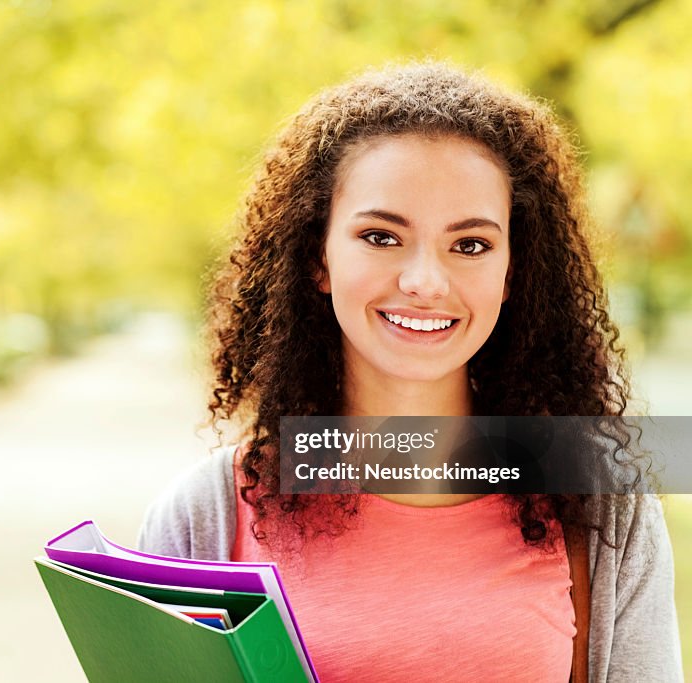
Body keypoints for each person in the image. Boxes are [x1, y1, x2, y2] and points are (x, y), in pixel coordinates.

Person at [137, 63, 682, 682]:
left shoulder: (602, 510)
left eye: (470, 245)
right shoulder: (208, 514)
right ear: (319, 257)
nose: (424, 281)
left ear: (513, 275)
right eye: (380, 236)